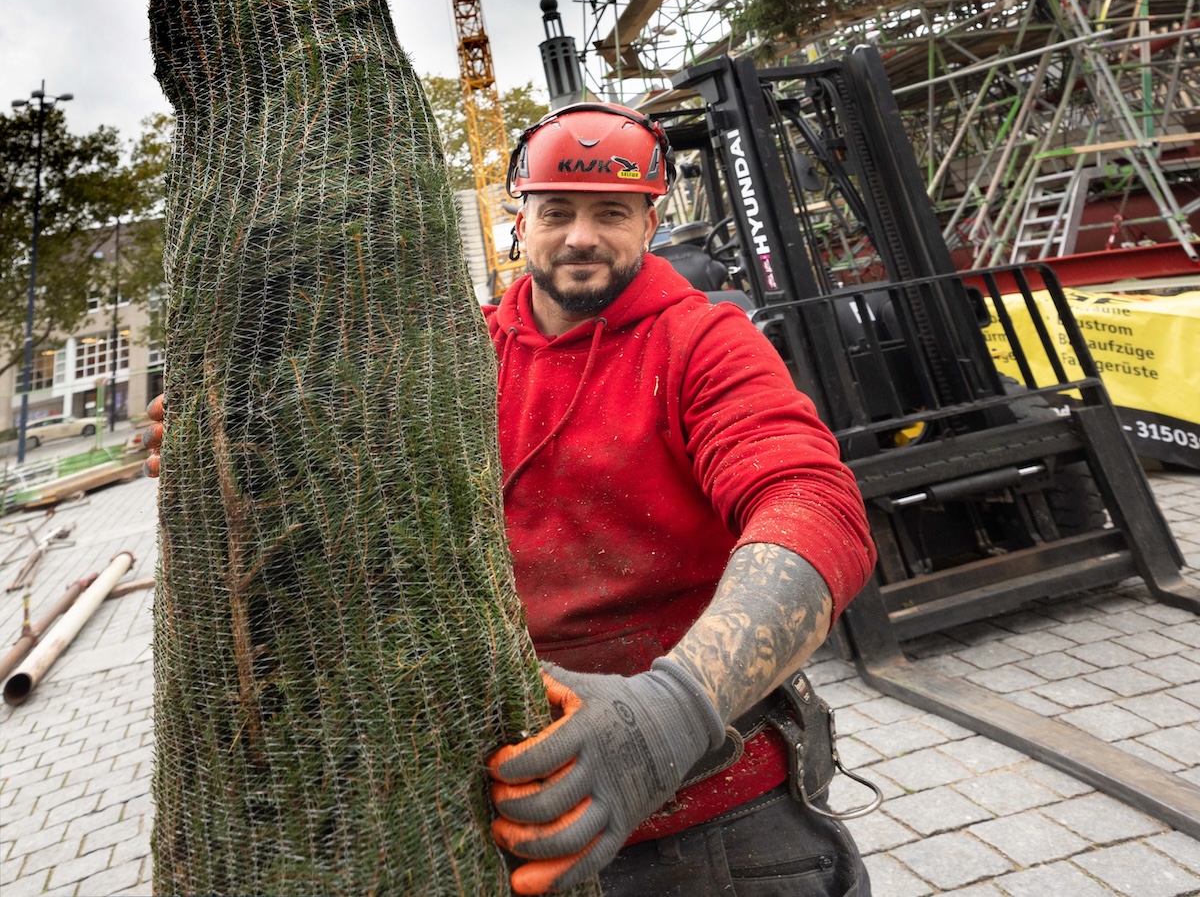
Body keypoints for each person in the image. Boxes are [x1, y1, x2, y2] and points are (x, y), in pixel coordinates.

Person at [146, 102, 876, 895]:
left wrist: (673, 709)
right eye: (557, 210)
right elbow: (359, 475)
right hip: (517, 826)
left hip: (719, 827)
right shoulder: (461, 358)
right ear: (517, 220)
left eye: (611, 213)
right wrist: (236, 446)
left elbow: (812, 507)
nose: (582, 235)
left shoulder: (703, 343)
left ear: (652, 221)